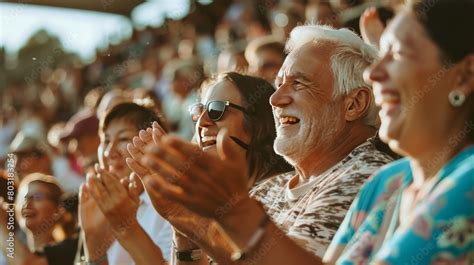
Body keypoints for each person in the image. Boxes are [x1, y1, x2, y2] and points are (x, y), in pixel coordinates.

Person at [138, 25, 395, 263]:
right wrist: (185, 226)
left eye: (298, 83)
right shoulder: (269, 189)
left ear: (354, 104)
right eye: (279, 84)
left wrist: (227, 216)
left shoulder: (369, 179)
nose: (275, 98)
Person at [325, 0, 474, 263]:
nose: (372, 73)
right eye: (379, 53)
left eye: (396, 54)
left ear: (463, 77)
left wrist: (243, 219)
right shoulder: (386, 182)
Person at [125, 72, 292, 264]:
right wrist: (182, 228)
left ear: (257, 125)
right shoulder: (211, 202)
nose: (202, 122)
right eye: (198, 112)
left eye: (217, 110)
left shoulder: (286, 192)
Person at [79, 102, 172, 265]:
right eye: (106, 140)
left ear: (153, 144)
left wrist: (125, 226)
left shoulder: (171, 209)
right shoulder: (96, 206)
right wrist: (92, 241)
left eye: (123, 138)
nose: (109, 152)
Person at [0, 173, 79, 265]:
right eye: (22, 199)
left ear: (58, 209)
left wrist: (1, 225)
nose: (27, 204)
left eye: (37, 197)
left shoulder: (70, 250)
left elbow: (28, 263)